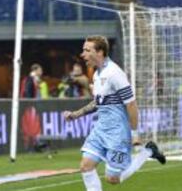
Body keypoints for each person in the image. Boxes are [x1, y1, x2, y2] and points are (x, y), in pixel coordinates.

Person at [63, 35, 166, 190]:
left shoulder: (115, 73)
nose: (82, 54)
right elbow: (99, 101)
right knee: (86, 166)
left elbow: (131, 104)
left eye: (87, 50)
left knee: (112, 179)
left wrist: (134, 133)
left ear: (100, 52)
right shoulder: (97, 74)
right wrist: (76, 114)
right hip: (100, 129)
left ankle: (148, 151)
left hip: (118, 133)